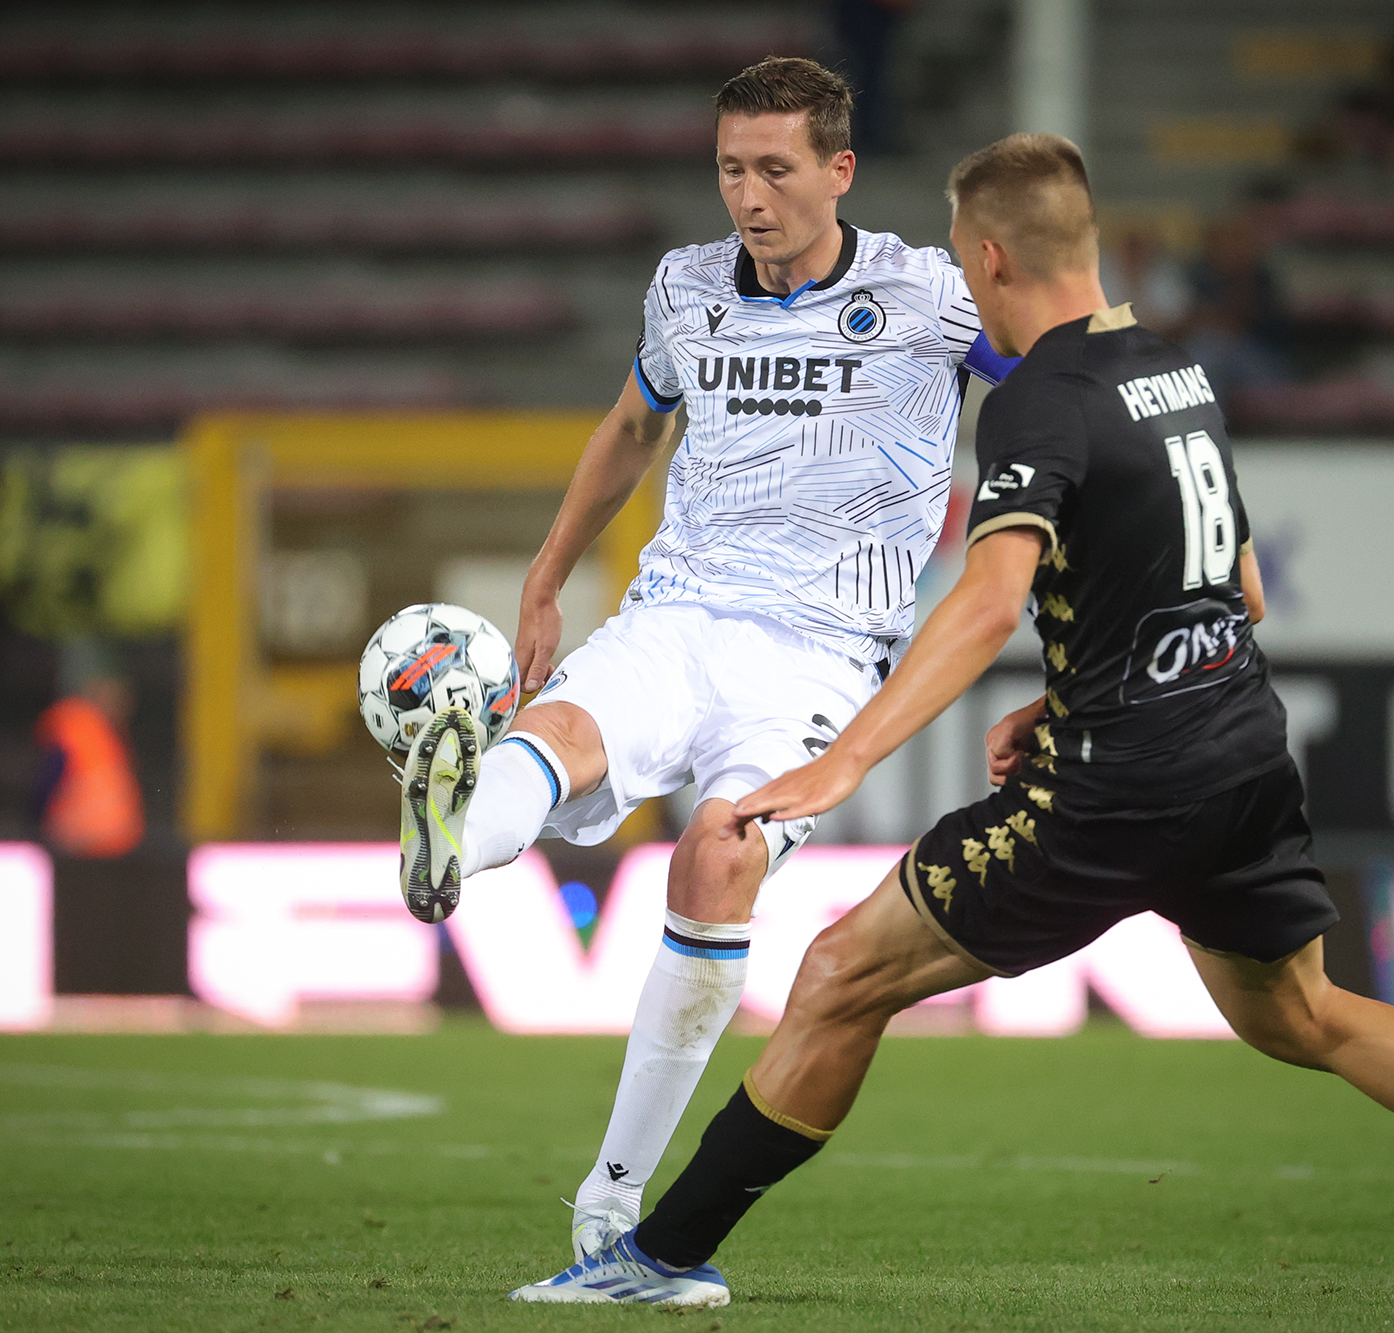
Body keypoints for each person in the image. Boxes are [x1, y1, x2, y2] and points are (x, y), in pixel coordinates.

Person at [508, 131, 1394, 1308]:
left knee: (835, 976)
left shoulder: (1039, 403)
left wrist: (841, 760)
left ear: (984, 260)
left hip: (1114, 791)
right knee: (1305, 1014)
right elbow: (1237, 592)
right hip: (1239, 753)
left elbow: (983, 603)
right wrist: (1067, 688)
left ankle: (655, 1255)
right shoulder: (1176, 375)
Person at [394, 56, 1015, 1263]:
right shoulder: (684, 289)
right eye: (730, 167)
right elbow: (632, 424)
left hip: (821, 656)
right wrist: (543, 572)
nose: (748, 194)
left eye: (775, 169)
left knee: (714, 862)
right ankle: (449, 843)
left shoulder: (929, 296)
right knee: (554, 739)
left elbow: (1048, 370)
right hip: (674, 614)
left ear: (838, 170)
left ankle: (611, 1196)